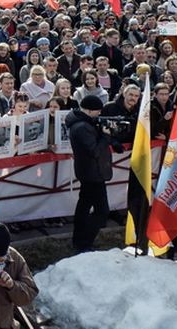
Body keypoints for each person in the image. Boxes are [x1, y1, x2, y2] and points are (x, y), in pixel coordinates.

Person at [66, 96, 123, 252]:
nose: (99, 114)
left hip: (89, 172)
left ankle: (78, 241)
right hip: (92, 174)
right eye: (98, 111)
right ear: (90, 110)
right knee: (102, 211)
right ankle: (84, 242)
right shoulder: (82, 128)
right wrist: (106, 136)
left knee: (84, 206)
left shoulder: (84, 123)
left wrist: (112, 139)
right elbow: (95, 151)